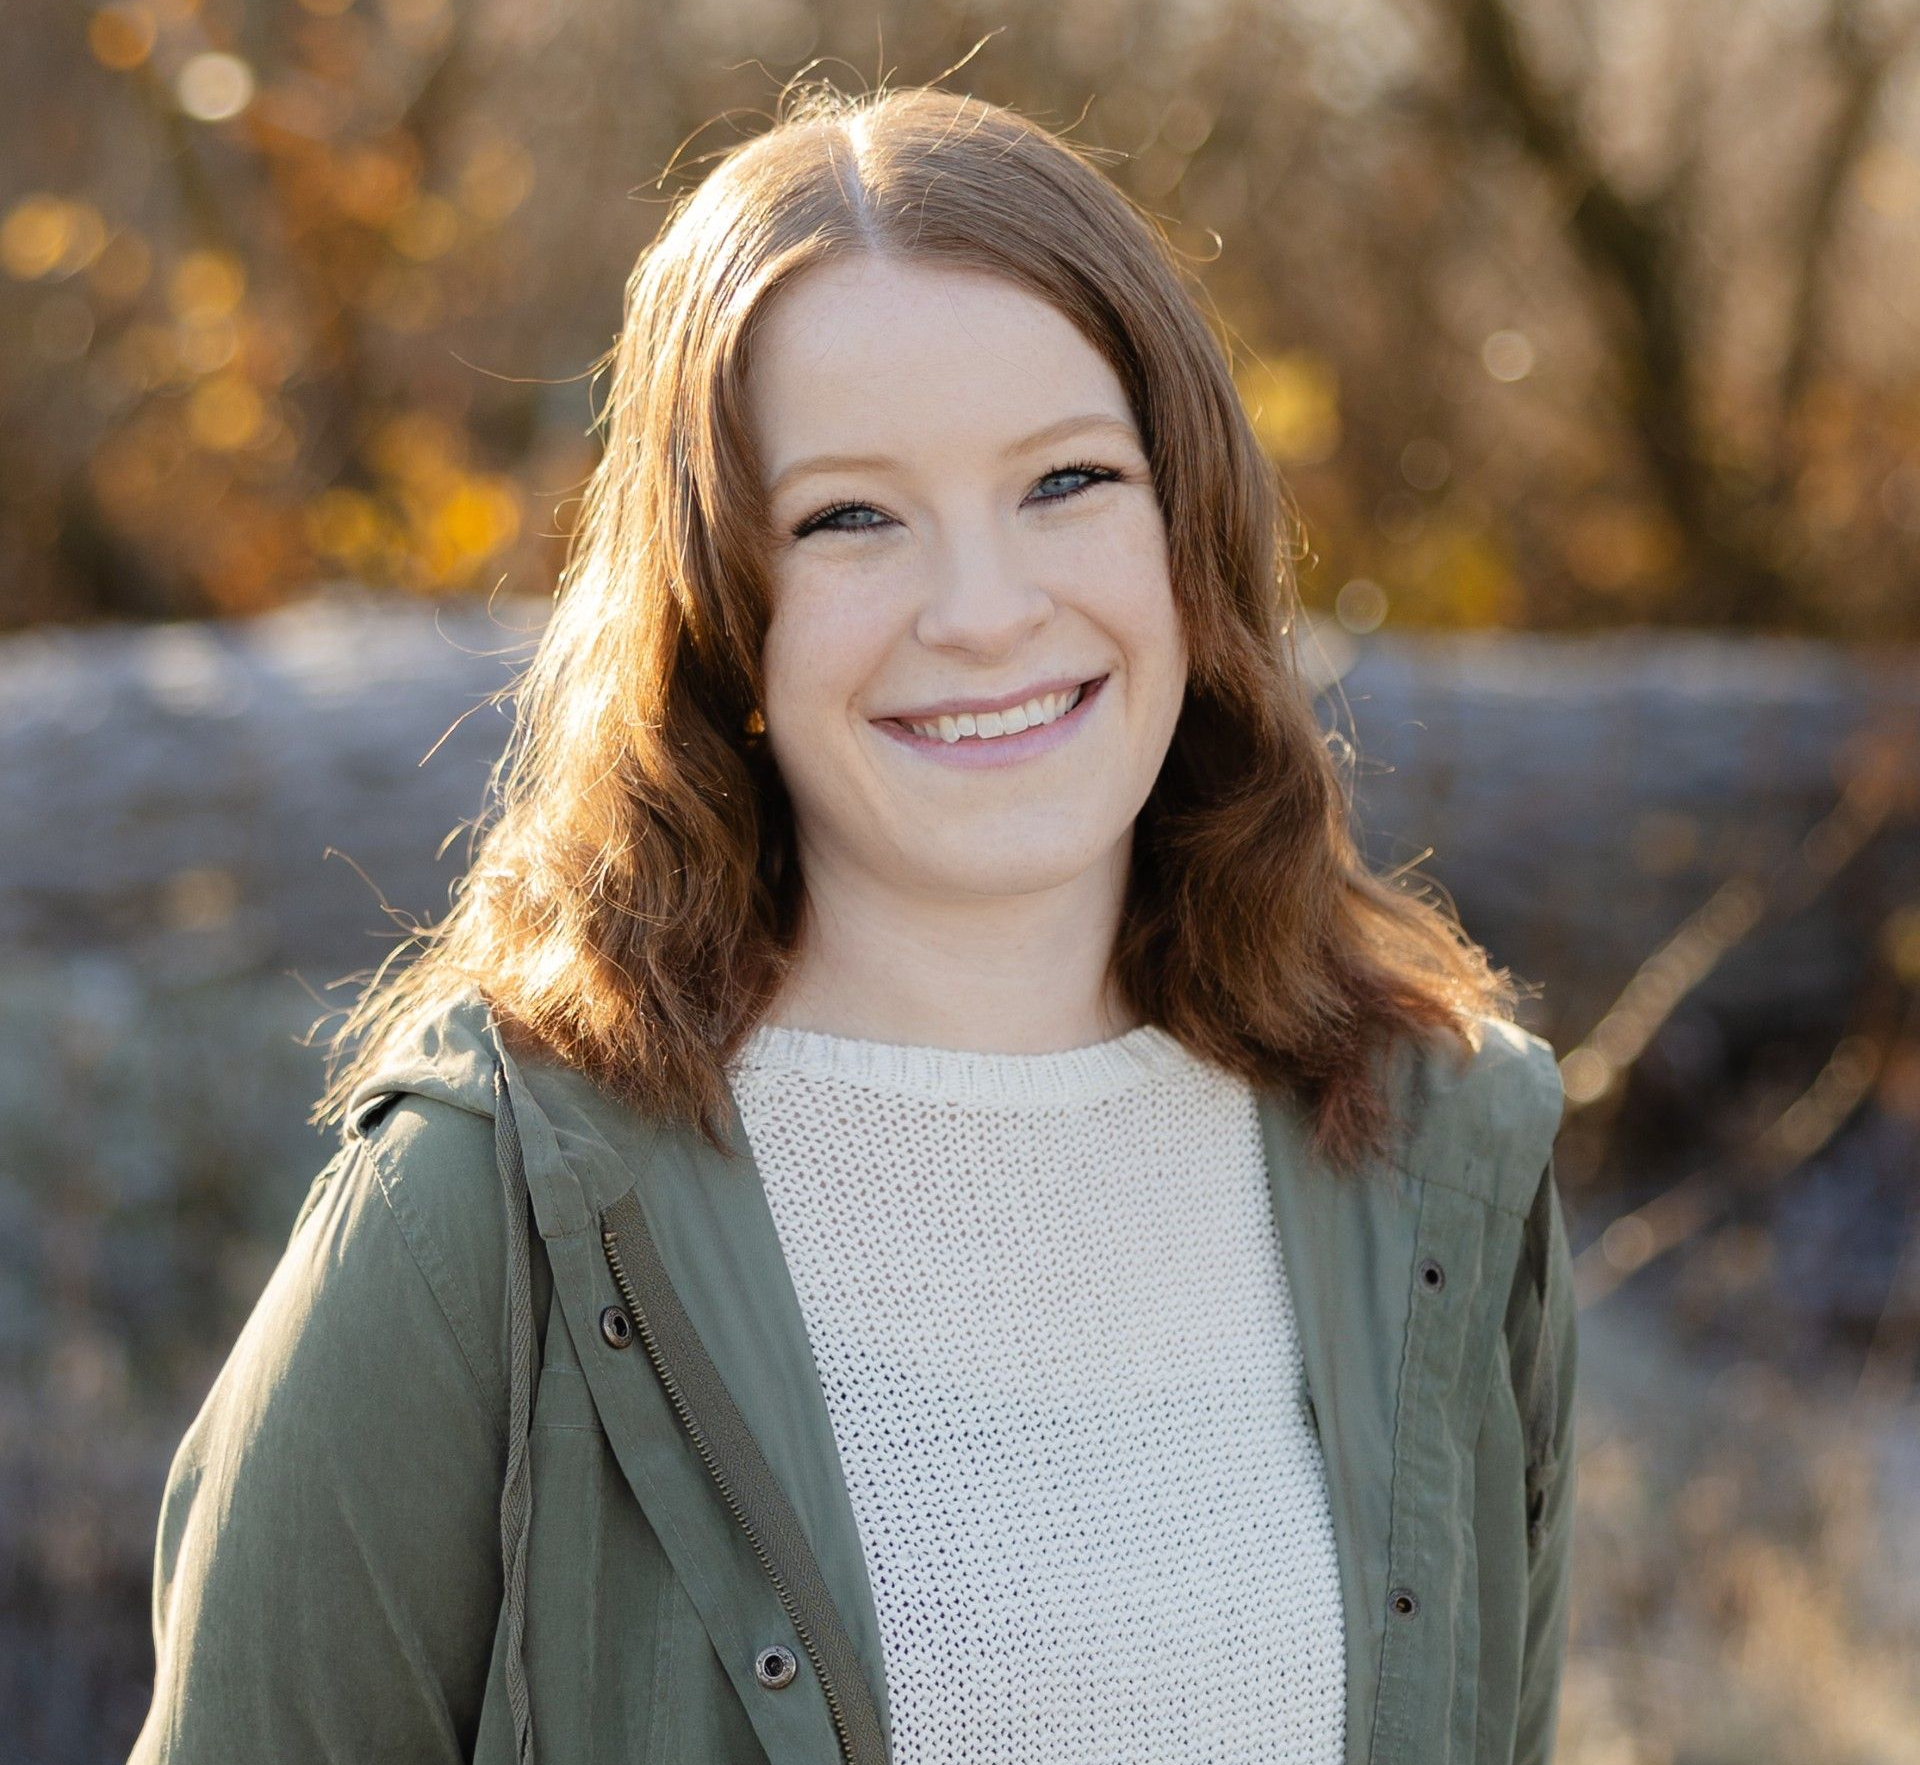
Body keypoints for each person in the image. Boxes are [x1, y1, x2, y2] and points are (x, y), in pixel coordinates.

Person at [129, 80, 1578, 1765]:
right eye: (848, 518)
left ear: (1192, 521)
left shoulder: (1442, 1155)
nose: (982, 611)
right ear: (722, 612)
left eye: (1066, 480)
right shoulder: (489, 1201)